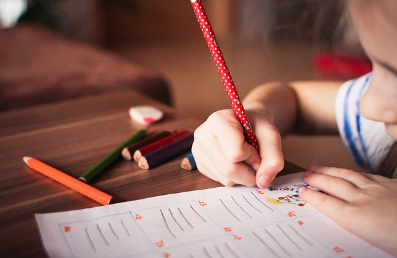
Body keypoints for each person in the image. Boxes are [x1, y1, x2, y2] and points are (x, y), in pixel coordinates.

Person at [191, 0, 397, 256]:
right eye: (373, 67)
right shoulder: (380, 111)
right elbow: (294, 99)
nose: (367, 106)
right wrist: (258, 114)